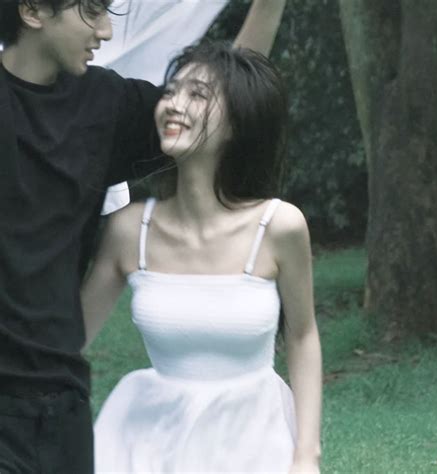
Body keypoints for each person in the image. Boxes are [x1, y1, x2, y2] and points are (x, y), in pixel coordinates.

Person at [0, 1, 286, 472]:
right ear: (32, 11)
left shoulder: (104, 105)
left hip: (62, 402)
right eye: (92, 12)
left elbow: (225, 101)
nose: (106, 32)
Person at [82, 41, 322, 473]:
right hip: (154, 443)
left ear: (238, 123)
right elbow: (65, 342)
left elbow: (303, 337)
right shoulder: (129, 231)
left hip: (255, 441)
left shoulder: (279, 227)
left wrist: (306, 454)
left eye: (198, 95)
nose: (173, 104)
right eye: (171, 91)